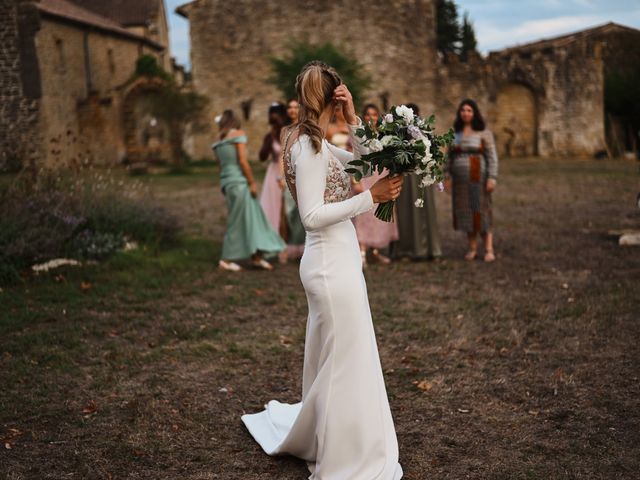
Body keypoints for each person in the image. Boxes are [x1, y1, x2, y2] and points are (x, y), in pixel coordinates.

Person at [241, 61, 404, 479]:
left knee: (342, 355)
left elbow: (365, 163)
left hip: (338, 257)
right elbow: (312, 215)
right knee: (345, 359)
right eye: (339, 99)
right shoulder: (307, 146)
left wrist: (353, 122)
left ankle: (331, 434)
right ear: (331, 94)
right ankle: (345, 452)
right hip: (328, 263)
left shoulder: (310, 139)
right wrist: (371, 199)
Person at [212, 110, 286, 271]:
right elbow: (243, 162)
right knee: (237, 220)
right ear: (235, 121)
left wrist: (224, 183)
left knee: (253, 218)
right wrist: (251, 182)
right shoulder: (238, 134)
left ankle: (256, 256)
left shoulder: (217, 139)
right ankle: (225, 259)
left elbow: (220, 166)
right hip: (239, 183)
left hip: (227, 183)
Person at [444, 99, 498, 262]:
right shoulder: (454, 134)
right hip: (460, 182)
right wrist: (446, 176)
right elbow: (448, 158)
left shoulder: (483, 133)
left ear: (474, 113)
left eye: (469, 110)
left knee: (481, 211)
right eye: (463, 110)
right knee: (466, 213)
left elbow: (492, 157)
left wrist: (492, 177)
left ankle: (488, 249)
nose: (465, 113)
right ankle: (472, 248)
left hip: (478, 179)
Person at [392, 102, 442, 260]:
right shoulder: (397, 132)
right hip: (406, 176)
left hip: (422, 175)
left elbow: (433, 152)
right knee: (406, 212)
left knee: (426, 210)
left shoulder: (425, 131)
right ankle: (407, 249)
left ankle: (430, 249)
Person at [352, 103, 400, 265]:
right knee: (364, 214)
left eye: (374, 114)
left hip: (382, 176)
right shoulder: (359, 135)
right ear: (364, 117)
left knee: (378, 216)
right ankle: (362, 251)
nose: (371, 117)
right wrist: (355, 180)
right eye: (368, 114)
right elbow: (353, 157)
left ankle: (375, 251)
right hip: (365, 176)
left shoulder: (385, 136)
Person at [279, 98, 305, 262]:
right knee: (288, 212)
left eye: (296, 107)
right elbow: (283, 155)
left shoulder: (305, 128)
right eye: (290, 107)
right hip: (289, 174)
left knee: (303, 212)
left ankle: (304, 249)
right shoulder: (284, 130)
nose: (292, 110)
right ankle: (289, 247)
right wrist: (282, 177)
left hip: (303, 173)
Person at [259, 103, 288, 237]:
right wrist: (269, 139)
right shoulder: (270, 136)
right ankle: (273, 237)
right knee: (272, 205)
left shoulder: (288, 132)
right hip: (274, 172)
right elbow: (262, 156)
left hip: (288, 171)